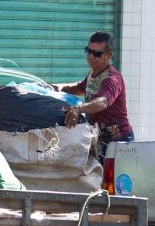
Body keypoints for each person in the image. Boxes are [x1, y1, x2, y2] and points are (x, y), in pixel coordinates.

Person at [54, 31, 134, 162]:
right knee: (99, 180)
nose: (91, 56)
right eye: (89, 51)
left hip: (118, 141)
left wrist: (78, 108)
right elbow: (81, 87)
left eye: (96, 53)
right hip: (100, 137)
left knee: (111, 182)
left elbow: (103, 102)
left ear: (108, 55)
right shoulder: (94, 71)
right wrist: (59, 87)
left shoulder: (112, 79)